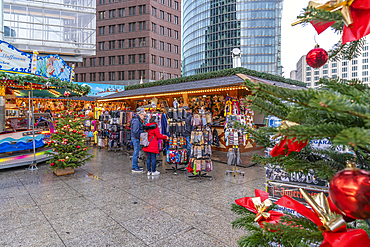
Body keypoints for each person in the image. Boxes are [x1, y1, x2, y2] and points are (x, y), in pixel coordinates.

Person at [131, 108, 146, 173]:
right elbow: (135, 131)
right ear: (141, 115)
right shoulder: (136, 120)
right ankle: (134, 167)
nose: (145, 118)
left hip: (136, 137)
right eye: (144, 116)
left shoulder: (136, 119)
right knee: (136, 152)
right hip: (135, 138)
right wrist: (140, 133)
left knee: (136, 152)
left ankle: (136, 166)